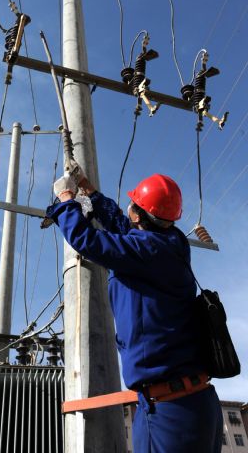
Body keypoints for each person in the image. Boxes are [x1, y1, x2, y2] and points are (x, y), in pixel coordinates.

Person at [46, 169, 223, 453]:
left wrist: (67, 201)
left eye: (132, 206)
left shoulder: (144, 250)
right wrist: (89, 190)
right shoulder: (170, 242)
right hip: (192, 402)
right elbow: (122, 225)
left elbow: (88, 241)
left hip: (168, 410)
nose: (128, 210)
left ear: (138, 215)